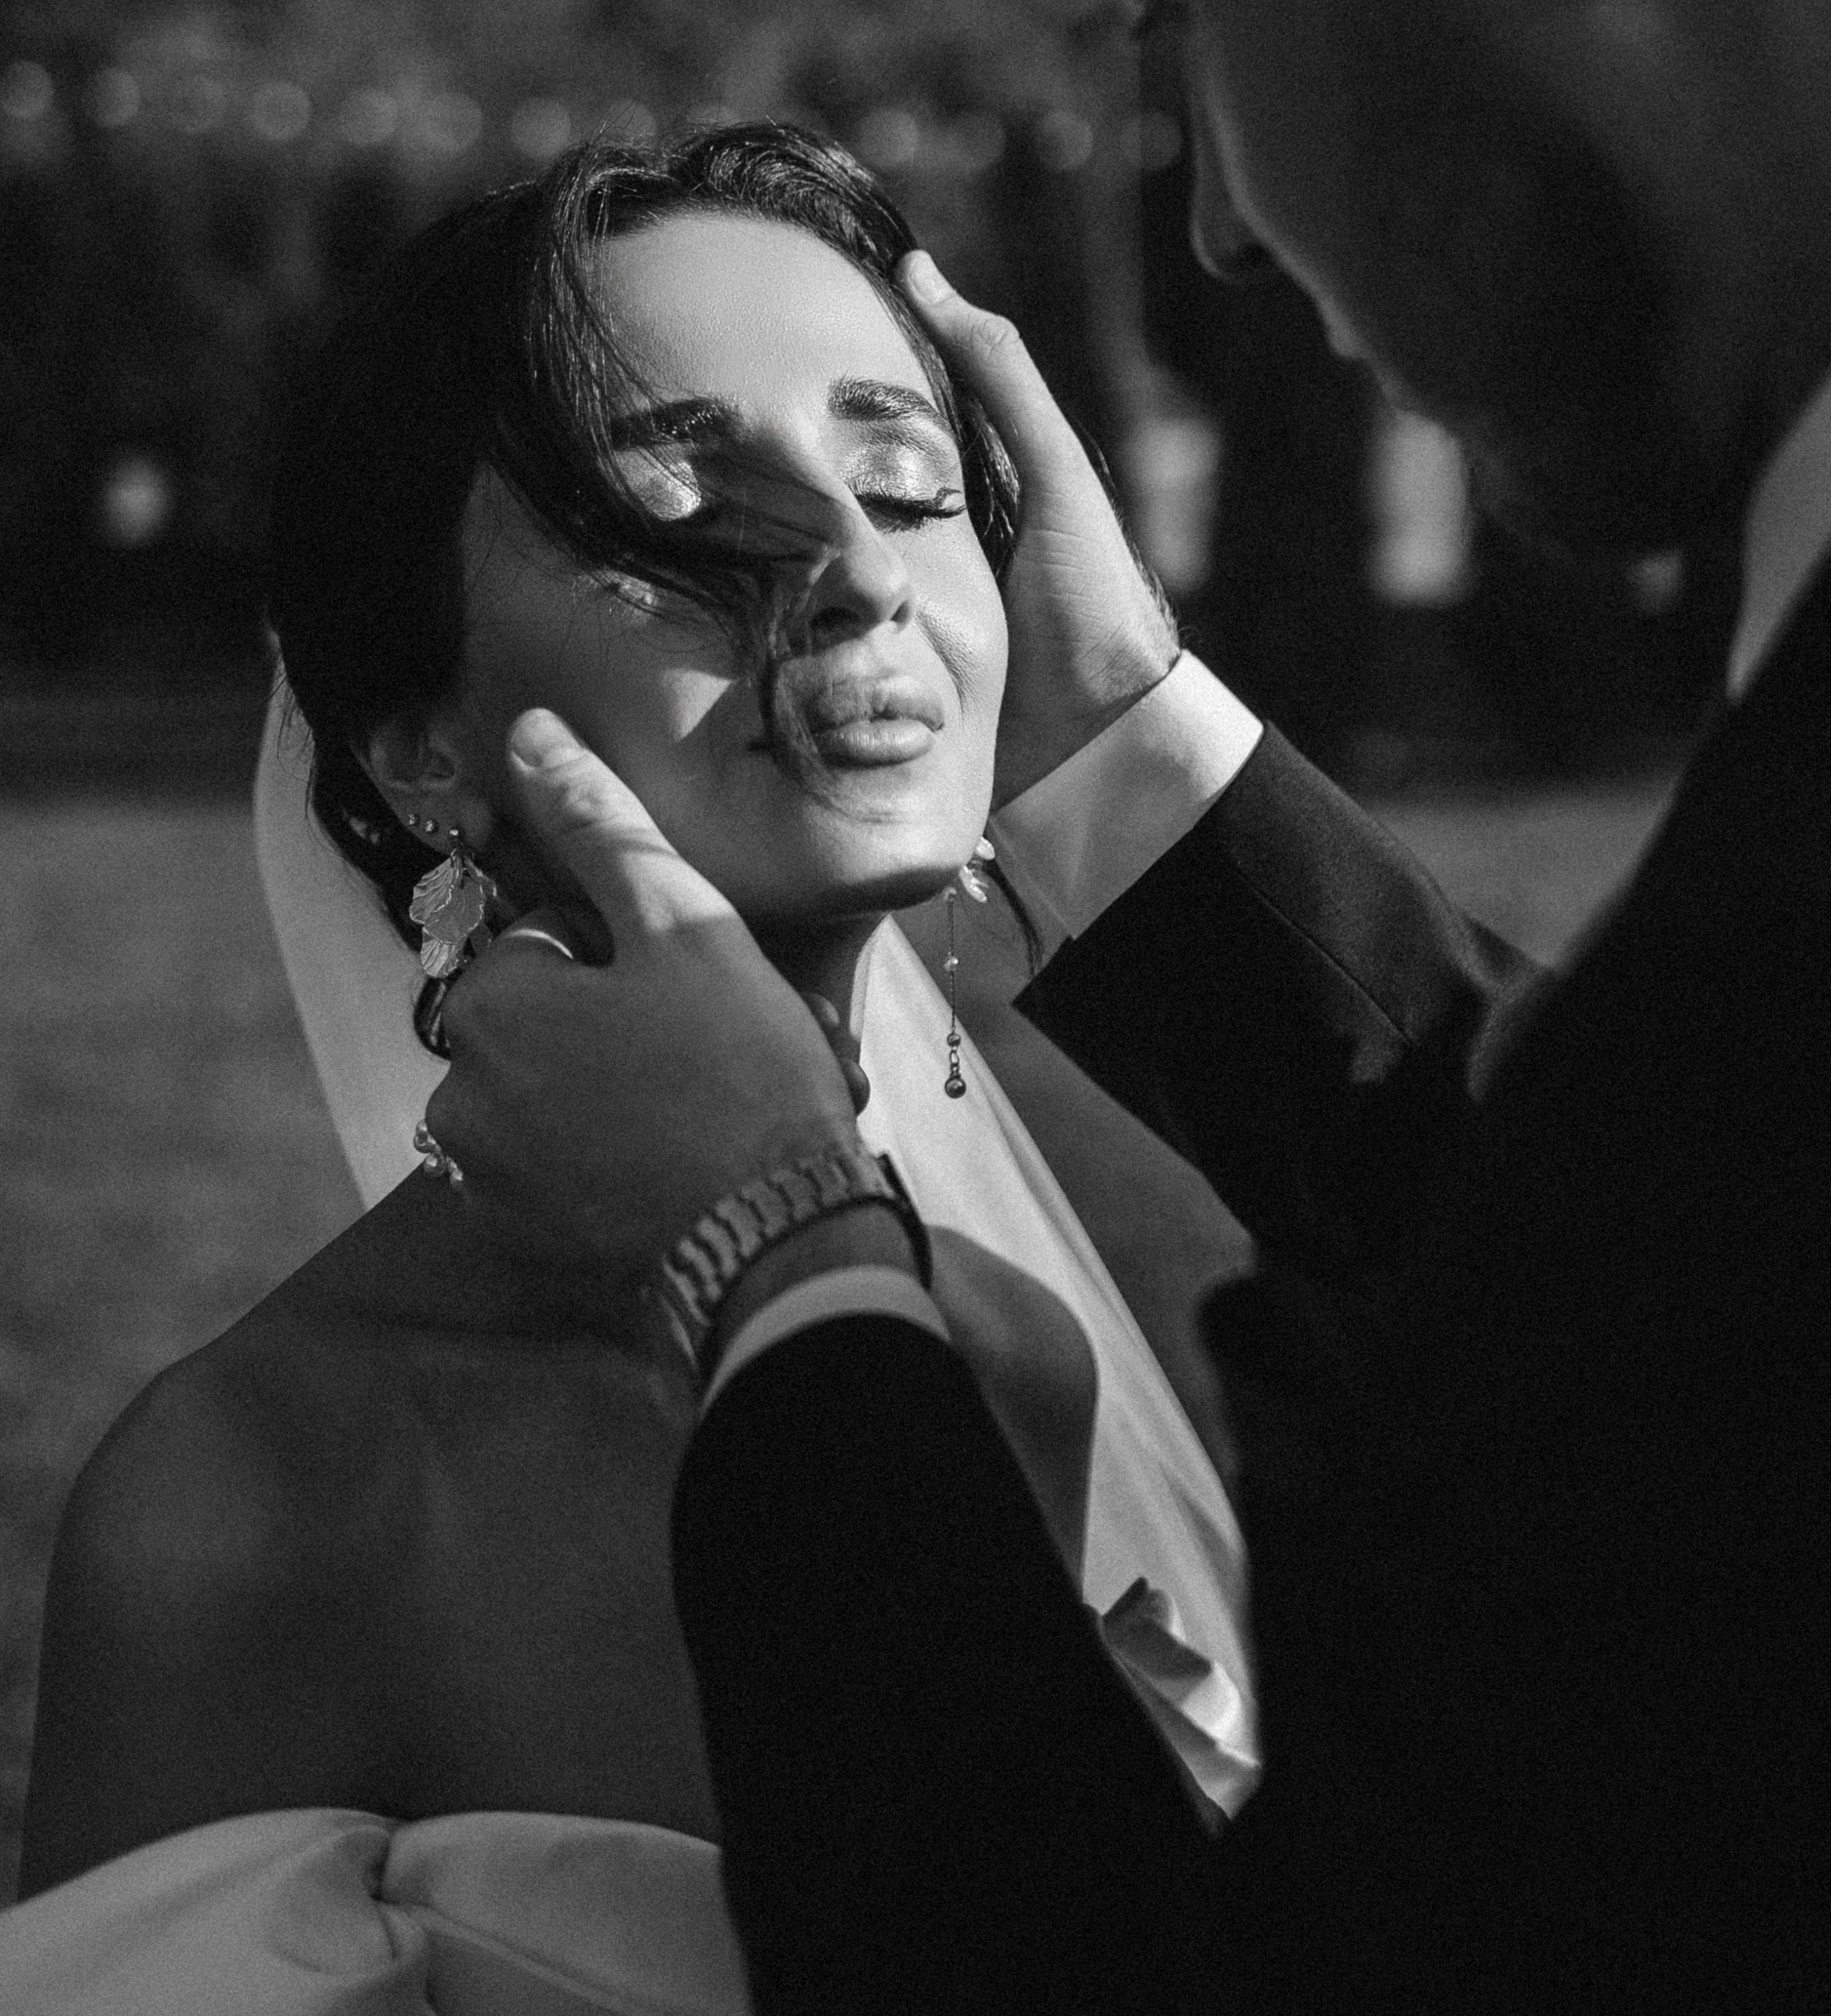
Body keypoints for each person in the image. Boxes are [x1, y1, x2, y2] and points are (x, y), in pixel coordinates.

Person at [399, 0, 1831, 2009]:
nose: (1212, 223)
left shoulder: (1774, 1045)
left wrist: (770, 1254)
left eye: (1171, 6)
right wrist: (1122, 748)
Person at [3, 124, 1263, 2012]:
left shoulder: (1009, 1350)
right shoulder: (263, 1498)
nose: (857, 568)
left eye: (911, 484)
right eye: (678, 515)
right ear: (422, 749)